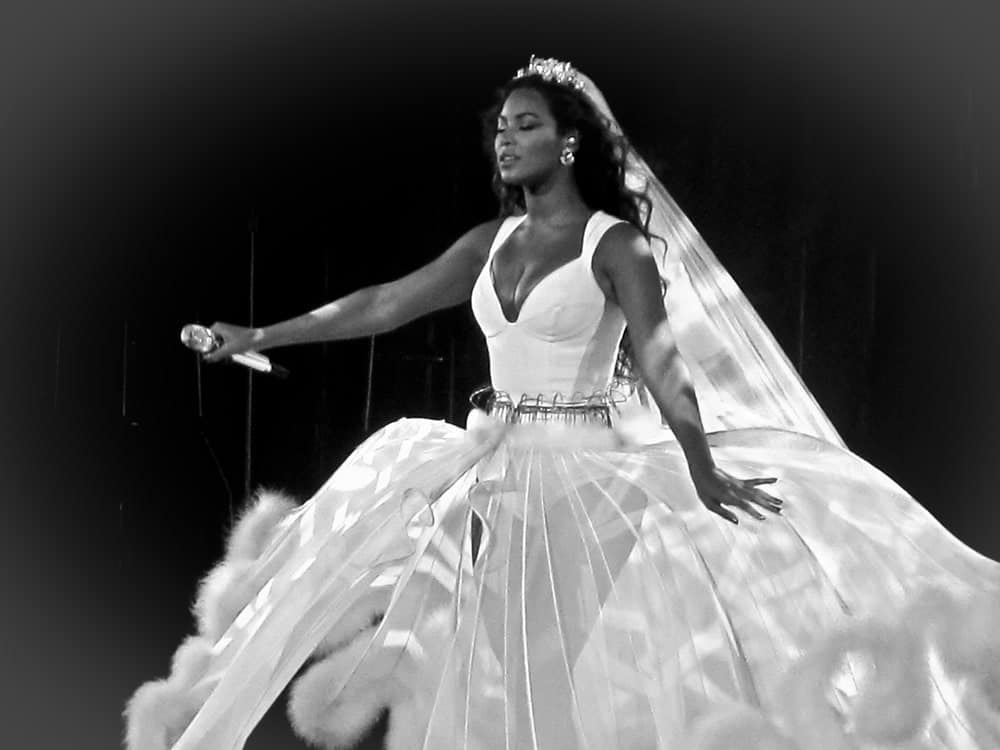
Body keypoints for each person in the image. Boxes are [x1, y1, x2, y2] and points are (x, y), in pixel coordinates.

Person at [126, 57, 1000, 750]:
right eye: (500, 128)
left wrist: (699, 461)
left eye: (527, 125)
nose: (506, 141)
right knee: (488, 668)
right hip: (492, 467)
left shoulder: (614, 246)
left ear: (570, 142)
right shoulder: (488, 241)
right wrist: (258, 334)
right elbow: (384, 303)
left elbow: (661, 358)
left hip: (587, 480)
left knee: (548, 666)